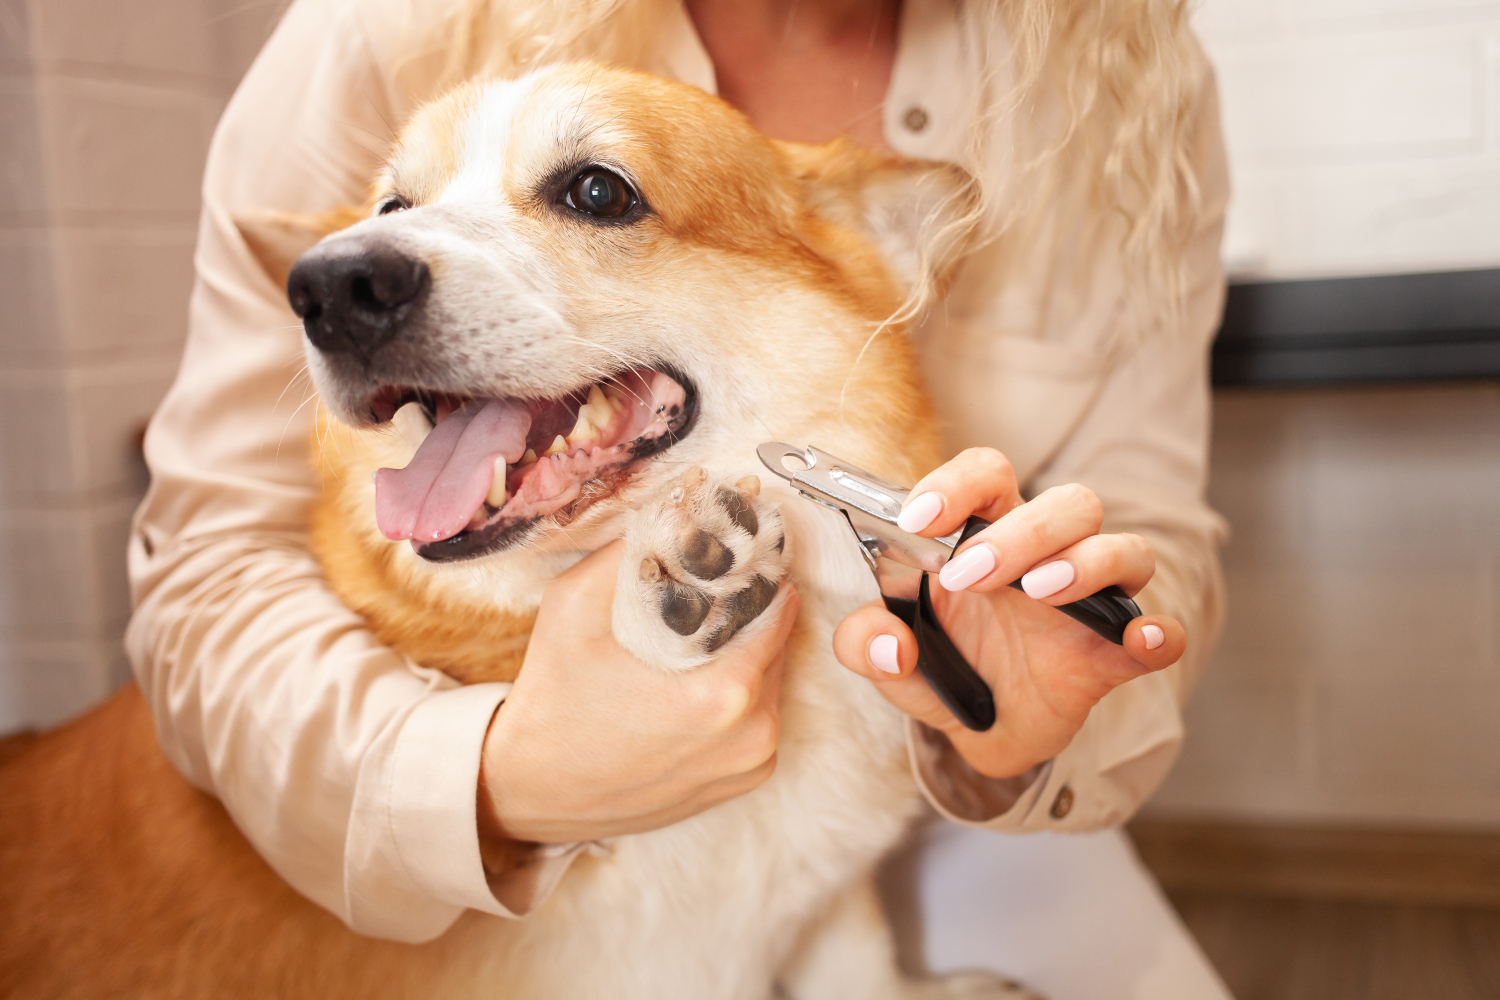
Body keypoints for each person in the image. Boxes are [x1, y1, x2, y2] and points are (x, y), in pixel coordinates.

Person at [126, 0, 1230, 994]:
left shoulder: (1124, 81)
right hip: (392, 792)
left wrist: (1041, 712)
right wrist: (501, 776)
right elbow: (204, 575)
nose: (361, 266)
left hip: (953, 803)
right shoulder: (387, 24)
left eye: (591, 192)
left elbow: (1150, 520)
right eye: (397, 204)